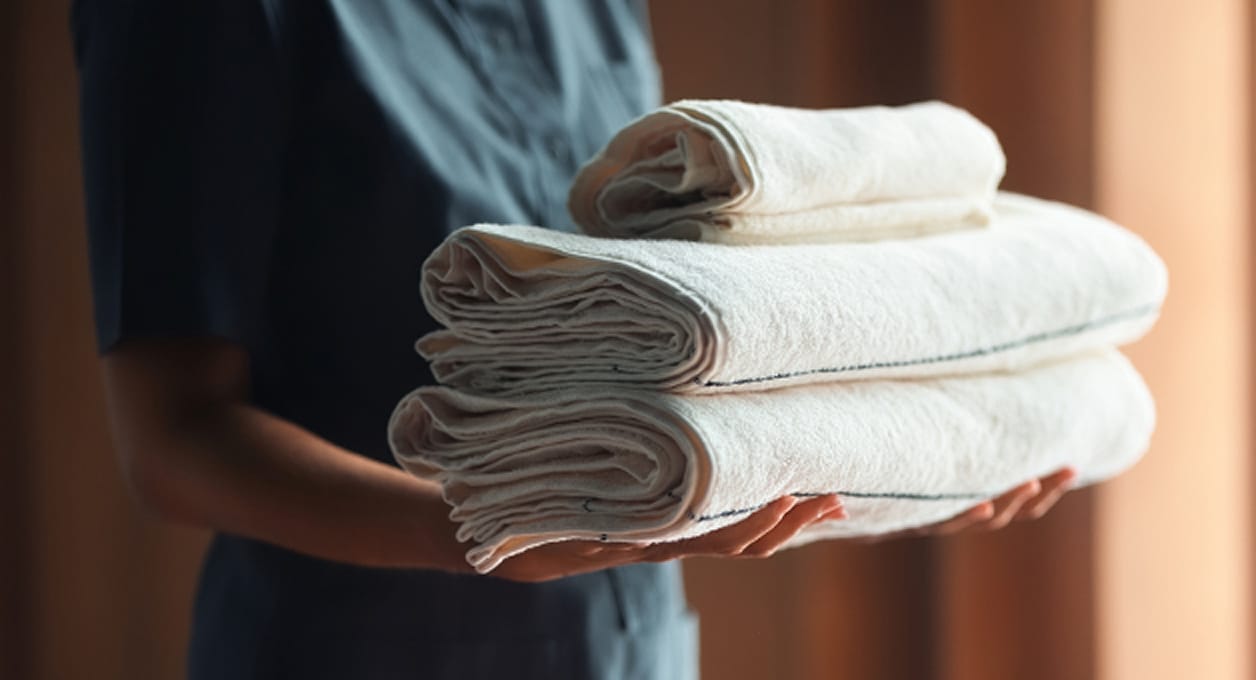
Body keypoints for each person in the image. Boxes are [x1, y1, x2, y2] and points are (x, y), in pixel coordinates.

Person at [71, 1, 1076, 678]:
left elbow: (672, 315)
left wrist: (916, 451)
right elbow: (174, 443)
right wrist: (479, 529)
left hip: (624, 644)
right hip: (362, 643)